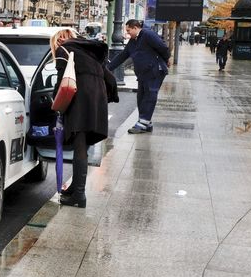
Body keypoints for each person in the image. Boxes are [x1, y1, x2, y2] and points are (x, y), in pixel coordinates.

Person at [51, 29, 117, 208]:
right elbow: (110, 78)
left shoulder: (63, 50)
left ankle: (79, 196)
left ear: (59, 40)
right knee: (83, 145)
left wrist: (54, 103)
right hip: (97, 98)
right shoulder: (89, 50)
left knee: (79, 145)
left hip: (80, 99)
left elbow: (61, 81)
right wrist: (106, 98)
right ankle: (75, 188)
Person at [107, 19, 170, 134]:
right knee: (141, 97)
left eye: (128, 30)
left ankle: (143, 123)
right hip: (143, 73)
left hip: (154, 71)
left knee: (149, 96)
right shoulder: (133, 41)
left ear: (136, 28)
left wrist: (166, 61)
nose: (127, 33)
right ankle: (146, 123)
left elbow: (163, 48)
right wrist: (107, 69)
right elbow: (123, 56)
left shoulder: (147, 34)